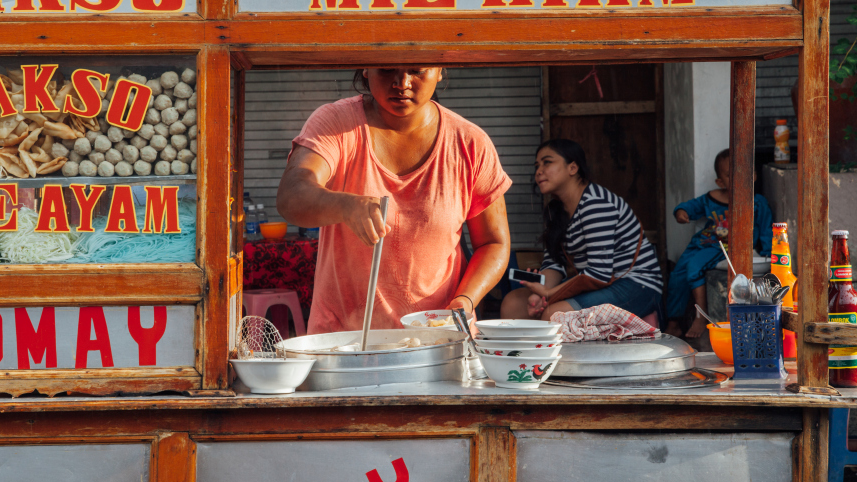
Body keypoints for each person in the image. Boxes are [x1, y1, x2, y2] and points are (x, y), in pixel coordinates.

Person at [276, 68, 512, 334]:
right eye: (388, 69)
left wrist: (465, 299)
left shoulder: (470, 143)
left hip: (436, 337)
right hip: (342, 339)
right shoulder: (336, 123)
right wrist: (345, 206)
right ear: (366, 68)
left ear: (440, 70)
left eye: (417, 70)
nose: (402, 83)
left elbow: (493, 242)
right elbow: (292, 195)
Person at [500, 139, 663, 322]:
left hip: (636, 285)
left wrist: (549, 293)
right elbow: (554, 263)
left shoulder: (595, 204)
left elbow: (598, 274)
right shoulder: (557, 211)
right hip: (598, 284)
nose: (539, 171)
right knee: (513, 304)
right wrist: (539, 293)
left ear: (573, 168)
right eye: (537, 165)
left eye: (547, 162)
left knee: (555, 315)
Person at [665, 148, 773, 339]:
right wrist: (681, 212)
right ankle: (673, 323)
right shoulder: (712, 198)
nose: (739, 179)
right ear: (720, 182)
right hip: (699, 244)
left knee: (694, 268)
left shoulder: (758, 203)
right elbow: (689, 207)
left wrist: (767, 256)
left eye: (744, 173)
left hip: (722, 247)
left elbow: (765, 231)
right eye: (731, 176)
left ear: (754, 176)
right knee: (676, 278)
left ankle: (701, 317)